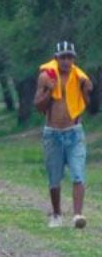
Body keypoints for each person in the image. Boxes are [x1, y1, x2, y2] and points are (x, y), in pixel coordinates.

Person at [34, 41, 93, 229]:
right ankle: (57, 214)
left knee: (78, 174)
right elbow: (38, 105)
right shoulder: (46, 76)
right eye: (63, 57)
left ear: (74, 59)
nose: (66, 61)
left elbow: (86, 104)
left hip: (75, 133)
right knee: (54, 178)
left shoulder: (80, 78)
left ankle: (77, 215)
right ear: (56, 58)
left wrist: (86, 90)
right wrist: (50, 91)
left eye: (70, 57)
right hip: (53, 134)